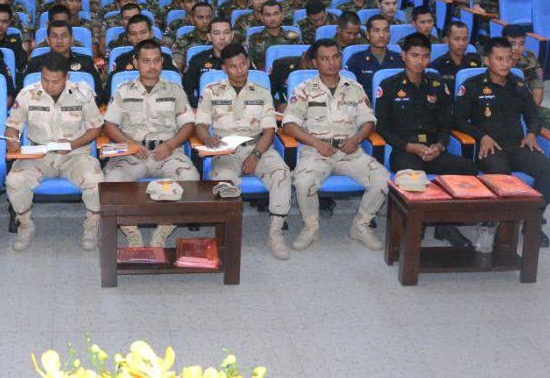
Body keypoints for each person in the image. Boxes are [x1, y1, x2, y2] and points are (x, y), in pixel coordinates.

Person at [281, 38, 388, 251]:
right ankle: (311, 227)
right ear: (315, 62)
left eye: (336, 57)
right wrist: (317, 143)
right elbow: (289, 125)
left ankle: (361, 225)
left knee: (382, 179)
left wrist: (356, 139)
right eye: (325, 59)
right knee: (303, 182)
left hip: (350, 150)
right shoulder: (304, 89)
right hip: (316, 151)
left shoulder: (354, 88)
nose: (332, 63)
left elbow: (368, 121)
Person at [374, 32, 477, 248]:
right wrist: (409, 147)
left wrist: (440, 145)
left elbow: (446, 123)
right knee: (415, 179)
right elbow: (382, 127)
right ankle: (416, 226)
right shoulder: (389, 85)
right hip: (405, 151)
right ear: (403, 55)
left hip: (433, 149)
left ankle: (446, 224)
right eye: (414, 55)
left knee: (468, 169)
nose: (420, 61)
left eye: (425, 56)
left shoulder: (437, 84)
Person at [455, 37, 550, 247]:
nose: (505, 64)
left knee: (549, 171)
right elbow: (457, 119)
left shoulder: (518, 85)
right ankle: (501, 225)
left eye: (509, 59)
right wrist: (481, 136)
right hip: (489, 148)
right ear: (487, 60)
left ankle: (532, 220)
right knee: (502, 175)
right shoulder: (473, 86)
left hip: (518, 145)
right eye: (499, 59)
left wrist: (531, 133)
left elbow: (533, 115)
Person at [194, 44, 292, 259]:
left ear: (248, 63)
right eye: (233, 66)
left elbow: (269, 131)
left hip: (259, 148)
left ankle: (275, 234)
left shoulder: (262, 92)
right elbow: (200, 124)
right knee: (223, 183)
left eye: (242, 64)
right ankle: (227, 234)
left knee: (282, 174)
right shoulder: (211, 91)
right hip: (226, 151)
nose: (239, 70)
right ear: (224, 68)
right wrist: (207, 138)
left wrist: (255, 155)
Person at [101, 39, 200, 248]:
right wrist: (131, 145)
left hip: (167, 151)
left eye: (156, 60)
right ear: (136, 63)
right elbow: (109, 125)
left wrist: (170, 145)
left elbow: (188, 125)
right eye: (146, 61)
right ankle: (132, 233)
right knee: (112, 180)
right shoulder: (123, 90)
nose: (152, 66)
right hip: (133, 151)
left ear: (162, 62)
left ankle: (163, 232)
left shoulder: (175, 90)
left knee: (191, 179)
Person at [3, 53, 105, 251]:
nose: (49, 86)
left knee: (96, 179)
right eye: (45, 79)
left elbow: (96, 128)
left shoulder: (82, 94)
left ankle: (91, 225)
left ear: (67, 77)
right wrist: (12, 140)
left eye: (55, 81)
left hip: (75, 154)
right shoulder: (27, 94)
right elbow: (12, 127)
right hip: (39, 155)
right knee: (14, 180)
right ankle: (25, 225)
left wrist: (73, 144)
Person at [502, 23, 550, 133]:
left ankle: (528, 137)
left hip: (521, 105)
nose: (517, 48)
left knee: (549, 115)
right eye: (512, 43)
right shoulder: (494, 58)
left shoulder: (530, 58)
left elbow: (538, 93)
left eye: (522, 44)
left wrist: (527, 113)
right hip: (497, 105)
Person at [345, 15, 404, 95]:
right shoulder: (356, 60)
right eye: (376, 31)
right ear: (368, 35)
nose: (382, 35)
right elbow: (347, 89)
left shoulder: (400, 59)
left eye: (386, 30)